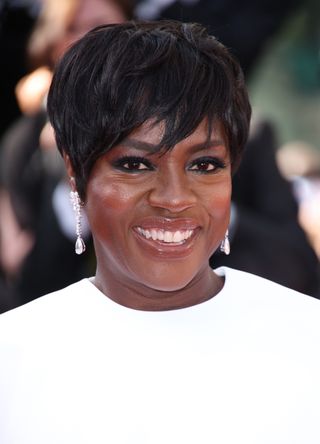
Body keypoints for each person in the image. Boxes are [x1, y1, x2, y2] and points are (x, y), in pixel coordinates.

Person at [0, 21, 320, 444]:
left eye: (204, 165)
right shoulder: (14, 358)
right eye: (135, 164)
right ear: (76, 174)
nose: (174, 198)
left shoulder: (307, 339)